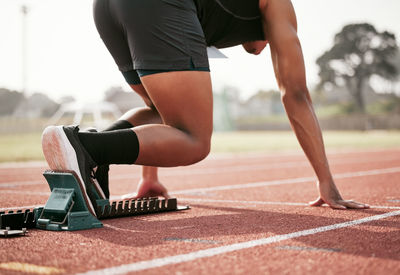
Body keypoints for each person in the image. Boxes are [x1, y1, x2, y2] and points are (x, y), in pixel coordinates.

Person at [41, 0, 369, 217]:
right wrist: (327, 182)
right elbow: (295, 93)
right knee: (195, 140)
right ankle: (86, 146)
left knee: (163, 109)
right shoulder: (279, 6)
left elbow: (160, 111)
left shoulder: (218, 14)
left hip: (108, 8)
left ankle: (96, 163)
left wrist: (150, 177)